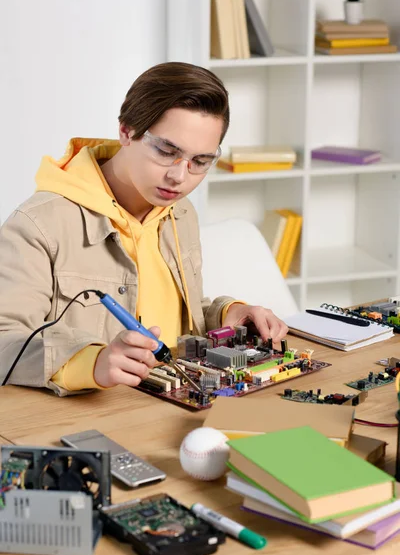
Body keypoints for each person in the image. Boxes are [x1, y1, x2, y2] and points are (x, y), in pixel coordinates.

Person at [0, 62, 288, 396]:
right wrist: (89, 362)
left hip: (178, 405)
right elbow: (4, 340)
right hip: (95, 419)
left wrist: (226, 313)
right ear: (126, 131)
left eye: (200, 162)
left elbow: (178, 317)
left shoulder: (180, 213)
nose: (180, 178)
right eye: (167, 151)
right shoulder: (39, 224)